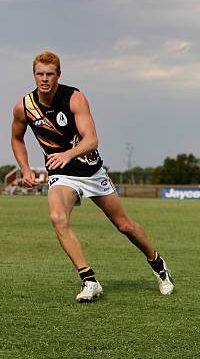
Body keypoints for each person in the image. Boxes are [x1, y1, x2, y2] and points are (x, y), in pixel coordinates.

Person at [10, 51, 174, 302]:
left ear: (58, 75)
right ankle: (89, 280)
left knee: (124, 226)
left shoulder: (74, 98)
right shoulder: (25, 107)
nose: (44, 79)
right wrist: (25, 168)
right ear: (34, 75)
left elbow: (92, 140)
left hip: (91, 171)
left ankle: (158, 264)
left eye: (50, 74)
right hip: (62, 175)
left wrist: (68, 154)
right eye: (40, 74)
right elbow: (17, 138)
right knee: (57, 217)